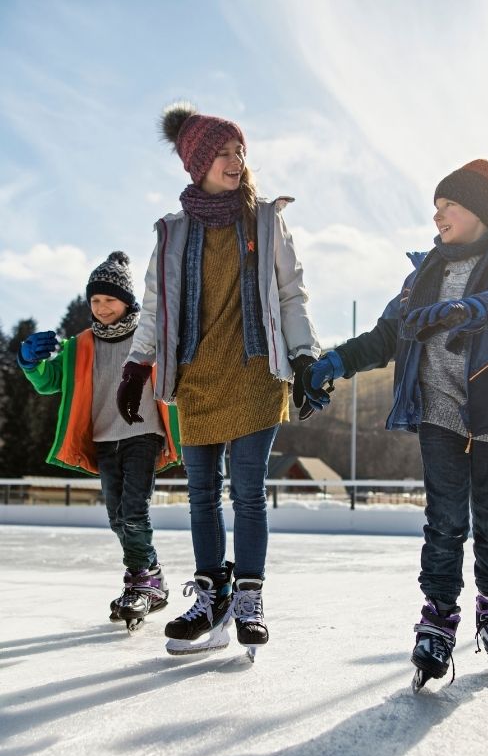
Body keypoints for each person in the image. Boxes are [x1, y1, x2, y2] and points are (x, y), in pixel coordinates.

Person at [302, 155, 488, 685]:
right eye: (435, 206)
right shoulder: (422, 277)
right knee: (445, 521)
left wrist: (468, 311)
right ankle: (437, 618)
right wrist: (334, 363)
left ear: (479, 208)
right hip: (439, 411)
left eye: (448, 204)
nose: (437, 215)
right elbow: (388, 336)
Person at [116, 102, 320, 654]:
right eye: (223, 153)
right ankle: (213, 593)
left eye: (240, 152)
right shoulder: (172, 232)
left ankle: (250, 595)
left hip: (255, 372)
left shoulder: (264, 219)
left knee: (248, 492)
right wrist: (138, 364)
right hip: (196, 379)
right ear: (197, 163)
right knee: (200, 495)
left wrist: (303, 355)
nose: (236, 161)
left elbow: (290, 293)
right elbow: (156, 308)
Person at [17, 251, 180, 630]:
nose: (102, 307)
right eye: (95, 300)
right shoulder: (80, 345)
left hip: (144, 433)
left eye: (109, 299)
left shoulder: (150, 335)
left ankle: (139, 580)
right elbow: (49, 381)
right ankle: (150, 574)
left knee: (134, 511)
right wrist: (31, 363)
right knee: (116, 517)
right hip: (105, 438)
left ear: (127, 301)